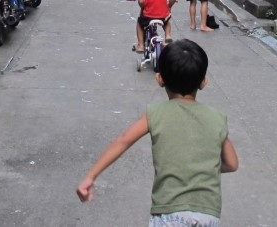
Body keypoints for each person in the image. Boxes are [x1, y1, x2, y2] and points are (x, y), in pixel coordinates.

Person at [77, 39, 238, 226]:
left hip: (169, 213)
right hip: (208, 215)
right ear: (203, 82)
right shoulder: (217, 118)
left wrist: (91, 176)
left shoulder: (155, 114)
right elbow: (232, 164)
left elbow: (122, 141)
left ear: (159, 79)